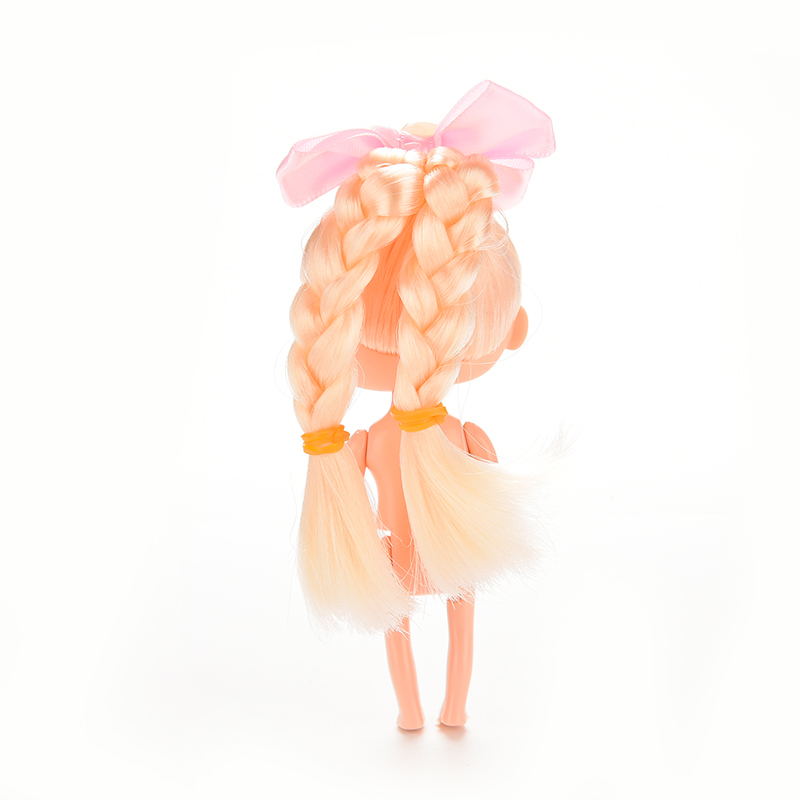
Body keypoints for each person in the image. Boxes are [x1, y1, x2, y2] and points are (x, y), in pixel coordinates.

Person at [277, 81, 554, 728]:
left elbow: (347, 489)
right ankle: (449, 708)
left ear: (331, 336)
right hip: (451, 555)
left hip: (396, 559)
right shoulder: (466, 439)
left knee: (397, 629)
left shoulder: (363, 442)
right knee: (459, 624)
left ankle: (416, 711)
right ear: (511, 329)